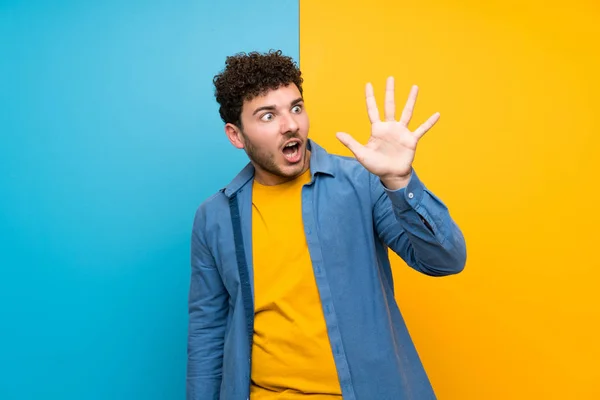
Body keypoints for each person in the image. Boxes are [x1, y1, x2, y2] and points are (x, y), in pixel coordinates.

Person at [187, 49, 467, 400]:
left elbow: (446, 260)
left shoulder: (362, 182)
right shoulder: (214, 217)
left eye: (296, 107)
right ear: (236, 135)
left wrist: (400, 182)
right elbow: (207, 332)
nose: (290, 124)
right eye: (268, 115)